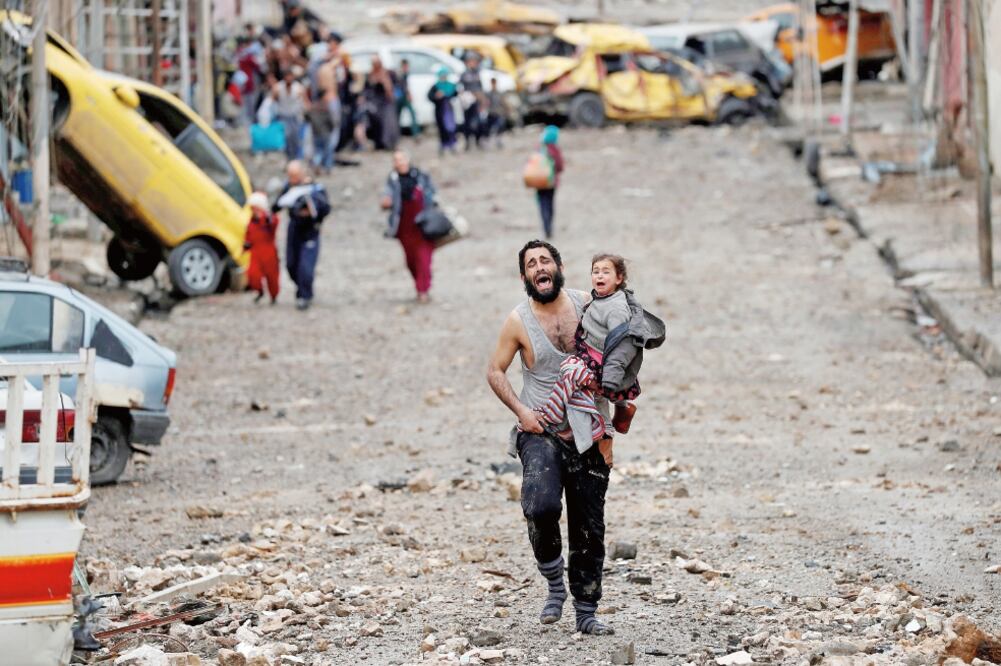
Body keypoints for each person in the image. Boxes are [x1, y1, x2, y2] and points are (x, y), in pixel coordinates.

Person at [485, 240, 614, 637]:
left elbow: (616, 363)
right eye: (531, 264)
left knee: (588, 526)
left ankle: (586, 612)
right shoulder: (518, 321)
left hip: (588, 430)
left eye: (545, 260)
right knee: (540, 506)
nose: (539, 267)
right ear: (524, 276)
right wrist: (522, 413)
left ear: (559, 267)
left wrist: (610, 429)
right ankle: (554, 582)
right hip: (541, 429)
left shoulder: (588, 306)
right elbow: (495, 370)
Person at [533, 254, 665, 454]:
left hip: (604, 368)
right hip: (592, 357)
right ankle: (620, 411)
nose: (599, 276)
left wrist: (609, 378)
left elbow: (623, 346)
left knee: (571, 373)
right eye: (595, 272)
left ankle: (554, 418)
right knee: (591, 396)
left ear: (619, 278)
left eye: (606, 272)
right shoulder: (600, 299)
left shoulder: (616, 310)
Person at [273, 160, 331, 310]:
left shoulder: (316, 188)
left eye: (294, 175)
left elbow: (325, 209)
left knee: (306, 267)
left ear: (302, 174)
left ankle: (304, 296)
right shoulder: (289, 187)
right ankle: (302, 289)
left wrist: (311, 209)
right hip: (294, 229)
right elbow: (276, 206)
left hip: (310, 231)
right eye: (289, 175)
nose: (291, 179)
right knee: (291, 264)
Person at [380, 151, 436, 304]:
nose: (399, 162)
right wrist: (386, 202)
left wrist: (430, 203)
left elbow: (432, 193)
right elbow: (386, 196)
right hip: (404, 226)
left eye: (402, 159)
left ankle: (423, 289)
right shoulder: (392, 179)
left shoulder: (421, 175)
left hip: (422, 224)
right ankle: (419, 284)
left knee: (423, 258)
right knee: (411, 260)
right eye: (396, 160)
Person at [243, 192, 281, 304]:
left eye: (255, 208)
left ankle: (274, 296)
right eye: (252, 208)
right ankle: (259, 291)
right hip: (255, 252)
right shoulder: (251, 221)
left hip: (269, 253)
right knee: (252, 274)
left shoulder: (268, 219)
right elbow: (248, 234)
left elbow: (274, 222)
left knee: (272, 277)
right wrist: (246, 244)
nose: (254, 210)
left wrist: (267, 218)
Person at [363, 56, 400, 150]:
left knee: (388, 124)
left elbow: (390, 91)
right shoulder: (370, 74)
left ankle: (388, 143)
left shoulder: (386, 73)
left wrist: (384, 82)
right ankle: (378, 143)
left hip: (386, 102)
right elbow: (367, 89)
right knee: (376, 124)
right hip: (375, 103)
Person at [274, 68, 309, 160]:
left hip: (295, 116)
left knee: (296, 137)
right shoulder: (278, 87)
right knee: (286, 137)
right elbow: (273, 100)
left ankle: (296, 157)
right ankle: (288, 156)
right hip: (283, 115)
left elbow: (305, 102)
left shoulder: (298, 88)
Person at [536, 125, 564, 239]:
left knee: (543, 204)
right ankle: (549, 227)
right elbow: (560, 166)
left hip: (539, 181)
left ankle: (545, 227)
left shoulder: (539, 148)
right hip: (551, 182)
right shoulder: (554, 149)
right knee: (550, 204)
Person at [427, 67, 459, 155]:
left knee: (451, 128)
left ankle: (452, 144)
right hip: (440, 110)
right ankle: (443, 145)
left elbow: (455, 94)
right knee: (442, 128)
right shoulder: (435, 86)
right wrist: (436, 96)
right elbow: (429, 96)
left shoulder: (450, 85)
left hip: (449, 110)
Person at [458, 53, 484, 149]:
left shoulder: (477, 73)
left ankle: (478, 141)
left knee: (478, 122)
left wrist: (482, 99)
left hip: (476, 101)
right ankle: (467, 142)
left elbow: (480, 87)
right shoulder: (464, 74)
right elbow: (460, 88)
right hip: (468, 102)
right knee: (467, 123)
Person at [395, 59, 420, 137]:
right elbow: (402, 86)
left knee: (412, 114)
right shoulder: (399, 74)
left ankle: (415, 133)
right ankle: (396, 134)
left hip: (403, 97)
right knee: (397, 116)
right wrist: (408, 94)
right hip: (400, 97)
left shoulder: (405, 74)